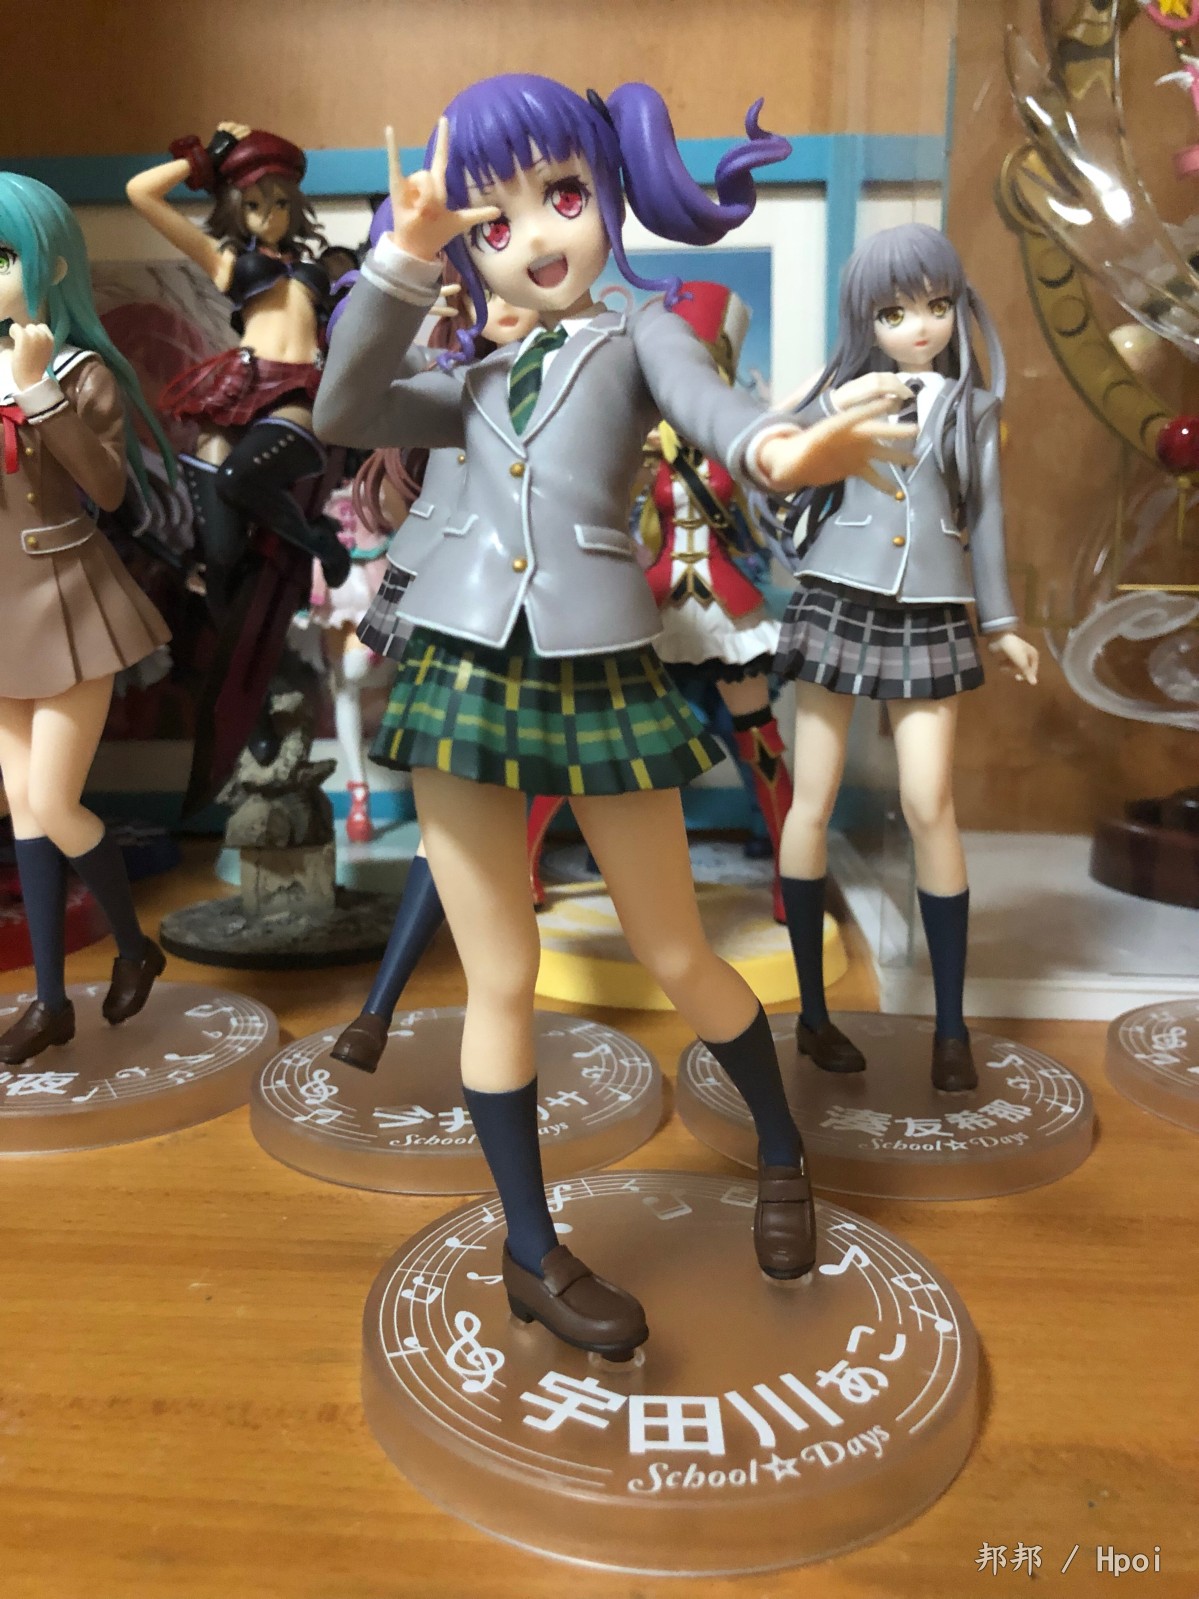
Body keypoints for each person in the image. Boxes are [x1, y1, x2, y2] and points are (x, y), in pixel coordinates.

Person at [315, 76, 914, 1357]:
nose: (535, 238)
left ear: (606, 190)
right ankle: (530, 1252)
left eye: (562, 196)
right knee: (498, 975)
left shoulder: (641, 331)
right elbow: (341, 410)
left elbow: (716, 411)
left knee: (676, 949)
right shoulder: (470, 374)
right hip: (461, 669)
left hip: (593, 667)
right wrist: (402, 260)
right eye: (493, 225)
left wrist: (785, 452)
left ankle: (779, 1148)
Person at [756, 223, 1039, 1092]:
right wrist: (832, 407)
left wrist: (1001, 621)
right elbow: (771, 453)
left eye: (935, 305)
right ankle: (813, 1016)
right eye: (893, 312)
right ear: (865, 320)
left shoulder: (972, 409)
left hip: (929, 608)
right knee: (811, 800)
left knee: (927, 801)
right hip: (837, 596)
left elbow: (986, 519)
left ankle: (950, 1027)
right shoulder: (840, 394)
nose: (919, 326)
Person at [0, 175, 173, 1064]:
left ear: (51, 265)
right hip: (1, 615)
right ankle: (50, 1002)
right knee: (23, 812)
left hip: (68, 601)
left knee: (52, 801)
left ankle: (136, 946)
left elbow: (107, 488)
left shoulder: (77, 373)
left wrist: (40, 396)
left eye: (3, 256)